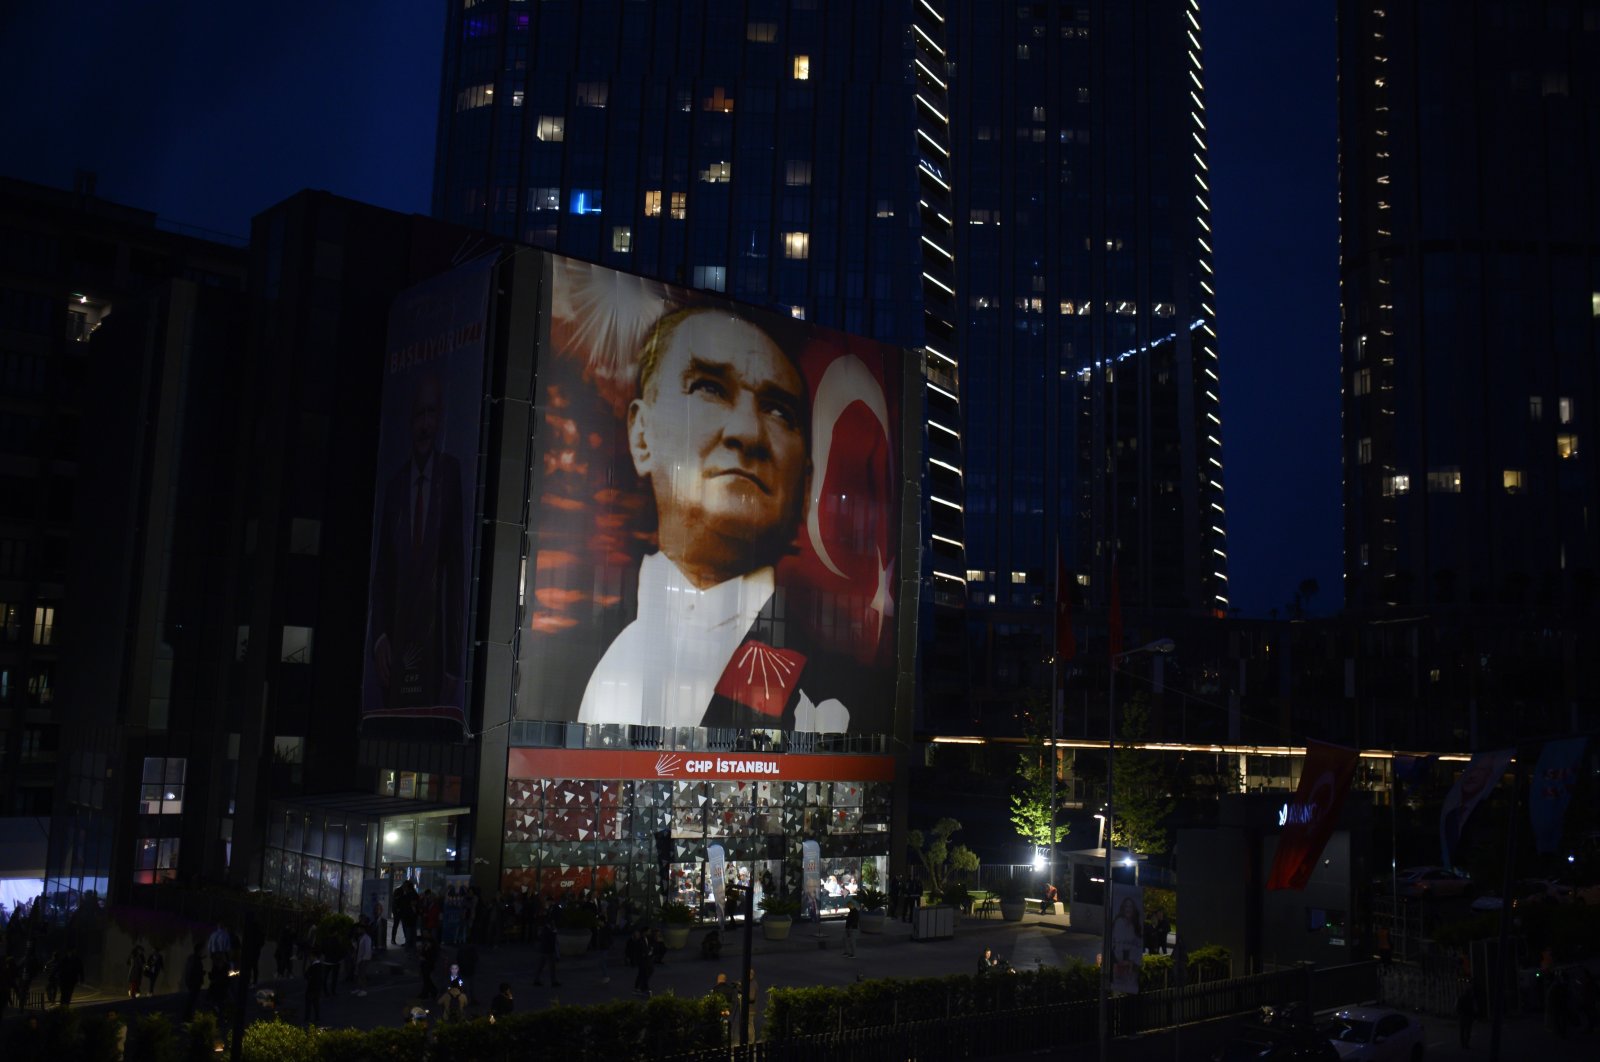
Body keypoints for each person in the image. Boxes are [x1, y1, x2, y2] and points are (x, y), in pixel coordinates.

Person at [574, 308, 865, 732]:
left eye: (779, 412)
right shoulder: (556, 645)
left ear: (805, 487)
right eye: (709, 387)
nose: (747, 432)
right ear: (641, 435)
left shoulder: (844, 685)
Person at [367, 373, 466, 716]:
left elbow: (456, 572)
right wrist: (378, 637)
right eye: (419, 415)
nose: (425, 424)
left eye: (431, 414)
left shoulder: (450, 475)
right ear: (410, 422)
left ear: (439, 419)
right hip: (396, 650)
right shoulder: (394, 486)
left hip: (434, 646)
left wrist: (454, 662)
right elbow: (382, 572)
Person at [1456, 981, 1476, 1049]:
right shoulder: (1471, 999)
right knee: (1467, 1031)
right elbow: (1473, 1008)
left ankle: (1463, 1043)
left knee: (1462, 1030)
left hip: (1462, 1016)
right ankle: (1466, 1043)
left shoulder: (1461, 998)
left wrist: (1458, 1013)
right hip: (1468, 1016)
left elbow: (1457, 1006)